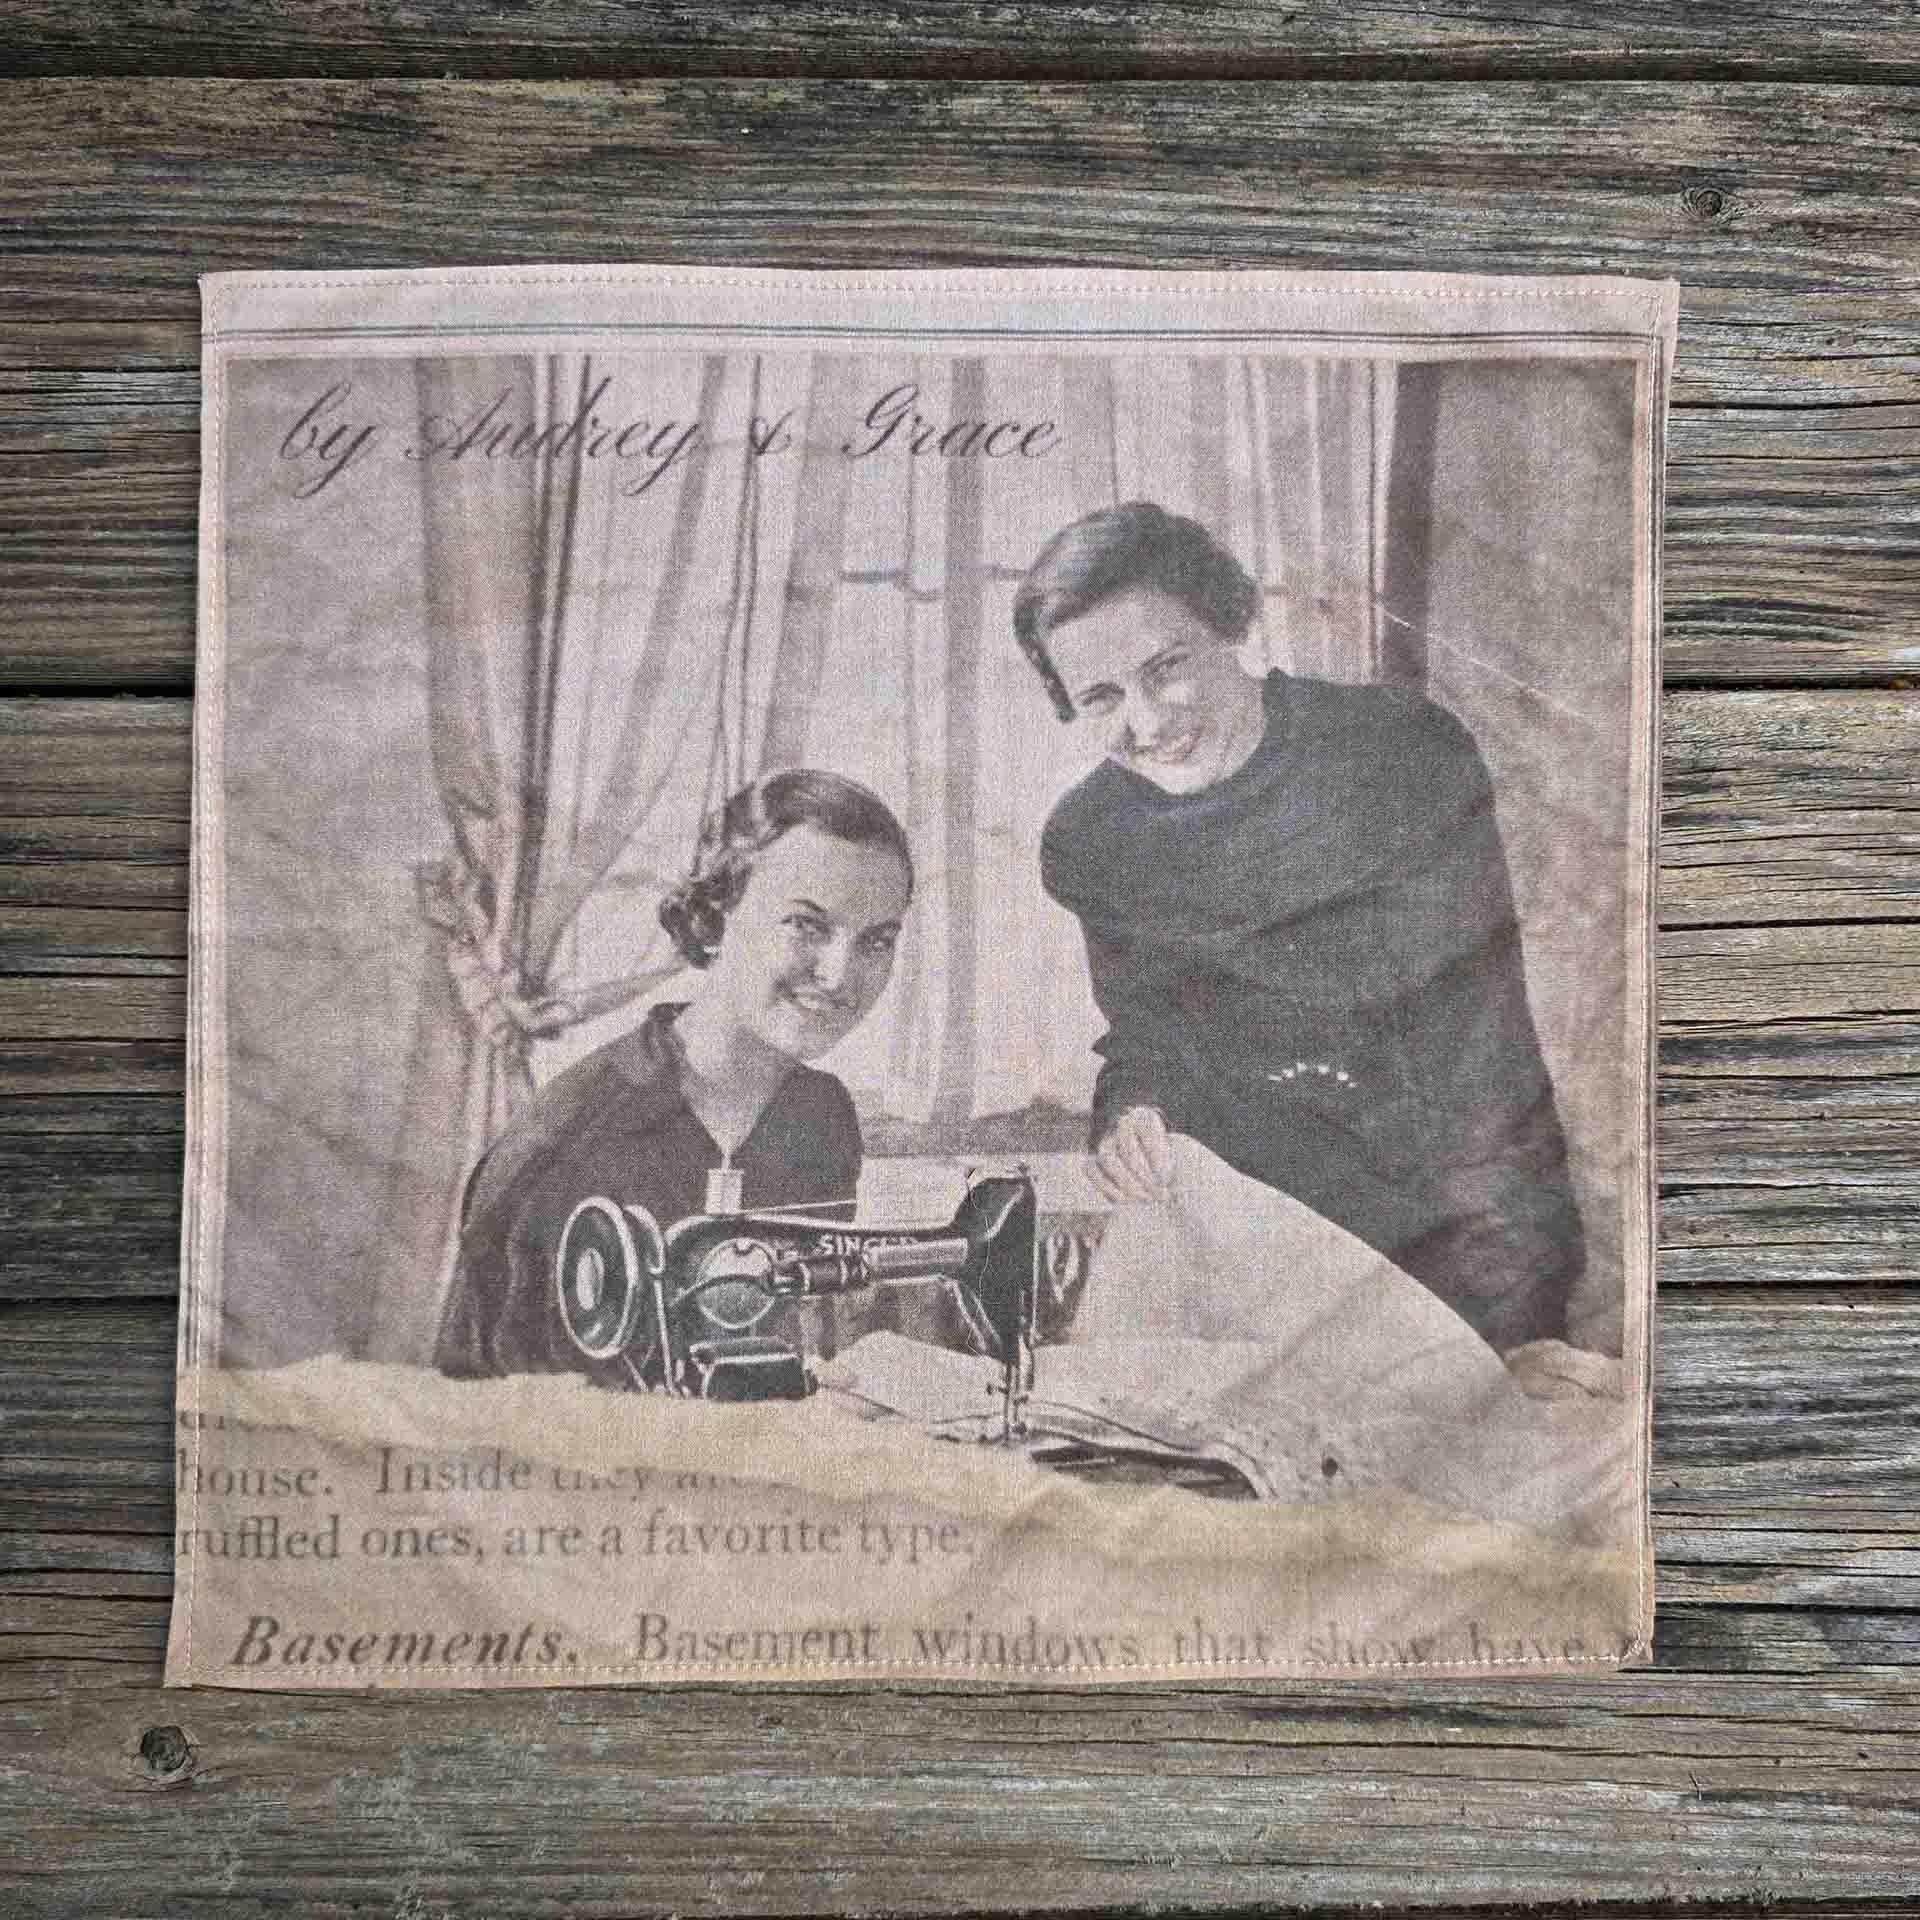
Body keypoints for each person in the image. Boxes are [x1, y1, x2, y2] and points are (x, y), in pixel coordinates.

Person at [1014, 500, 1585, 1359]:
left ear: (1228, 622)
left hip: (1440, 1239)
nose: (1149, 720)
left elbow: (1482, 1059)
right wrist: (1130, 1111)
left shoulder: (1398, 752)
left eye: (1167, 665)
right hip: (1241, 1253)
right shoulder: (1093, 840)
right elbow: (1149, 1038)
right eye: (1102, 696)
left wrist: (1514, 1320)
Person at [435, 769, 913, 1380]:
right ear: (715, 919)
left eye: (877, 940)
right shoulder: (564, 1141)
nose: (840, 974)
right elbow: (479, 1412)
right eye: (806, 924)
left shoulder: (820, 1116)